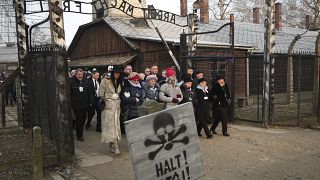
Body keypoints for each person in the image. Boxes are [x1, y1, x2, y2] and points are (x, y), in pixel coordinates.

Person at [98, 66, 123, 155]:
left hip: (116, 107)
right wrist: (109, 97)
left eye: (119, 73)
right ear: (113, 73)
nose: (117, 74)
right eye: (116, 72)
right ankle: (114, 146)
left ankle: (114, 145)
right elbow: (100, 92)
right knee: (110, 127)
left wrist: (117, 97)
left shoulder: (120, 82)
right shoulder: (105, 80)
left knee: (116, 126)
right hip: (108, 107)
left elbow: (120, 93)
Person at [70, 68, 93, 141]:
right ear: (76, 74)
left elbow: (89, 92)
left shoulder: (85, 82)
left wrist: (90, 101)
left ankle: (78, 128)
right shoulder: (71, 82)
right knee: (79, 120)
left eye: (81, 74)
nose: (80, 76)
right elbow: (70, 94)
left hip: (84, 104)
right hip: (76, 105)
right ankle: (79, 135)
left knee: (83, 119)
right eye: (79, 74)